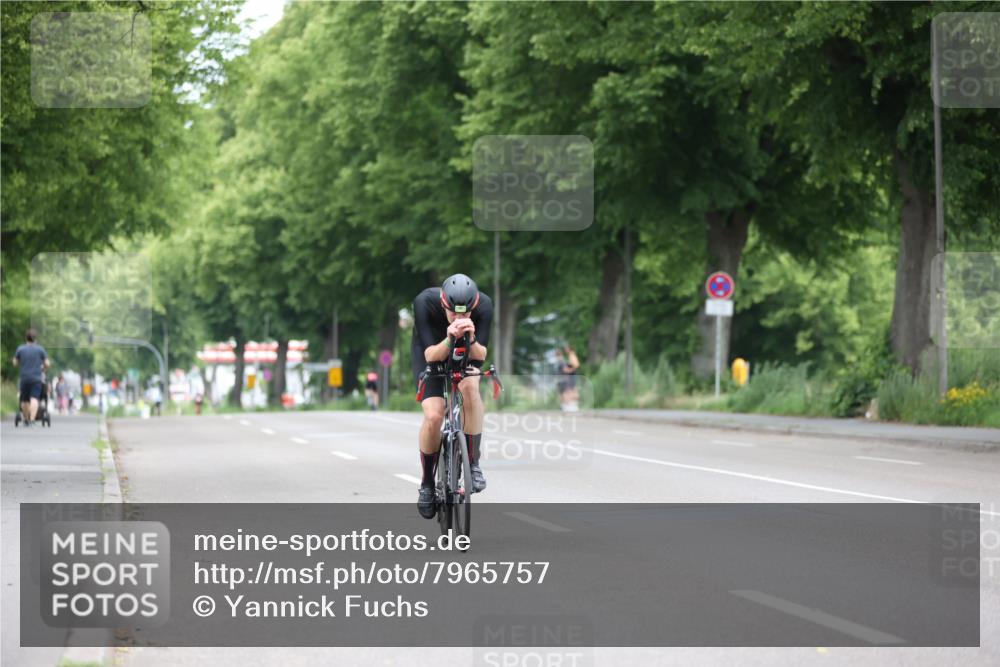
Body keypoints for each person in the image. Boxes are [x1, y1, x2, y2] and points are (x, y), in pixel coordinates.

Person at [411, 274, 493, 519]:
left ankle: (473, 463)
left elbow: (481, 355)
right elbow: (430, 355)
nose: (460, 319)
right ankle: (427, 484)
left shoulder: (485, 306)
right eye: (454, 314)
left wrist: (471, 336)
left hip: (466, 349)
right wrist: (449, 338)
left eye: (466, 314)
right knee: (435, 415)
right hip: (432, 350)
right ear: (444, 304)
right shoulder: (425, 302)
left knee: (470, 388)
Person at [13, 328, 50, 426]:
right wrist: (43, 367)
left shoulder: (20, 349)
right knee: (34, 398)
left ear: (26, 338)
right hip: (36, 378)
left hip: (24, 377)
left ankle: (26, 419)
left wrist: (22, 362)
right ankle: (32, 419)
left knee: (24, 399)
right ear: (35, 338)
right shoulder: (40, 349)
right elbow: (47, 363)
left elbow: (15, 363)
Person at [555, 344, 580, 411]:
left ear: (569, 349)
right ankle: (569, 405)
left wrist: (570, 370)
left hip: (571, 376)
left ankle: (572, 405)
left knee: (570, 391)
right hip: (569, 376)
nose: (565, 350)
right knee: (569, 391)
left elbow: (577, 365)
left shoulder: (572, 355)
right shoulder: (569, 356)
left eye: (566, 348)